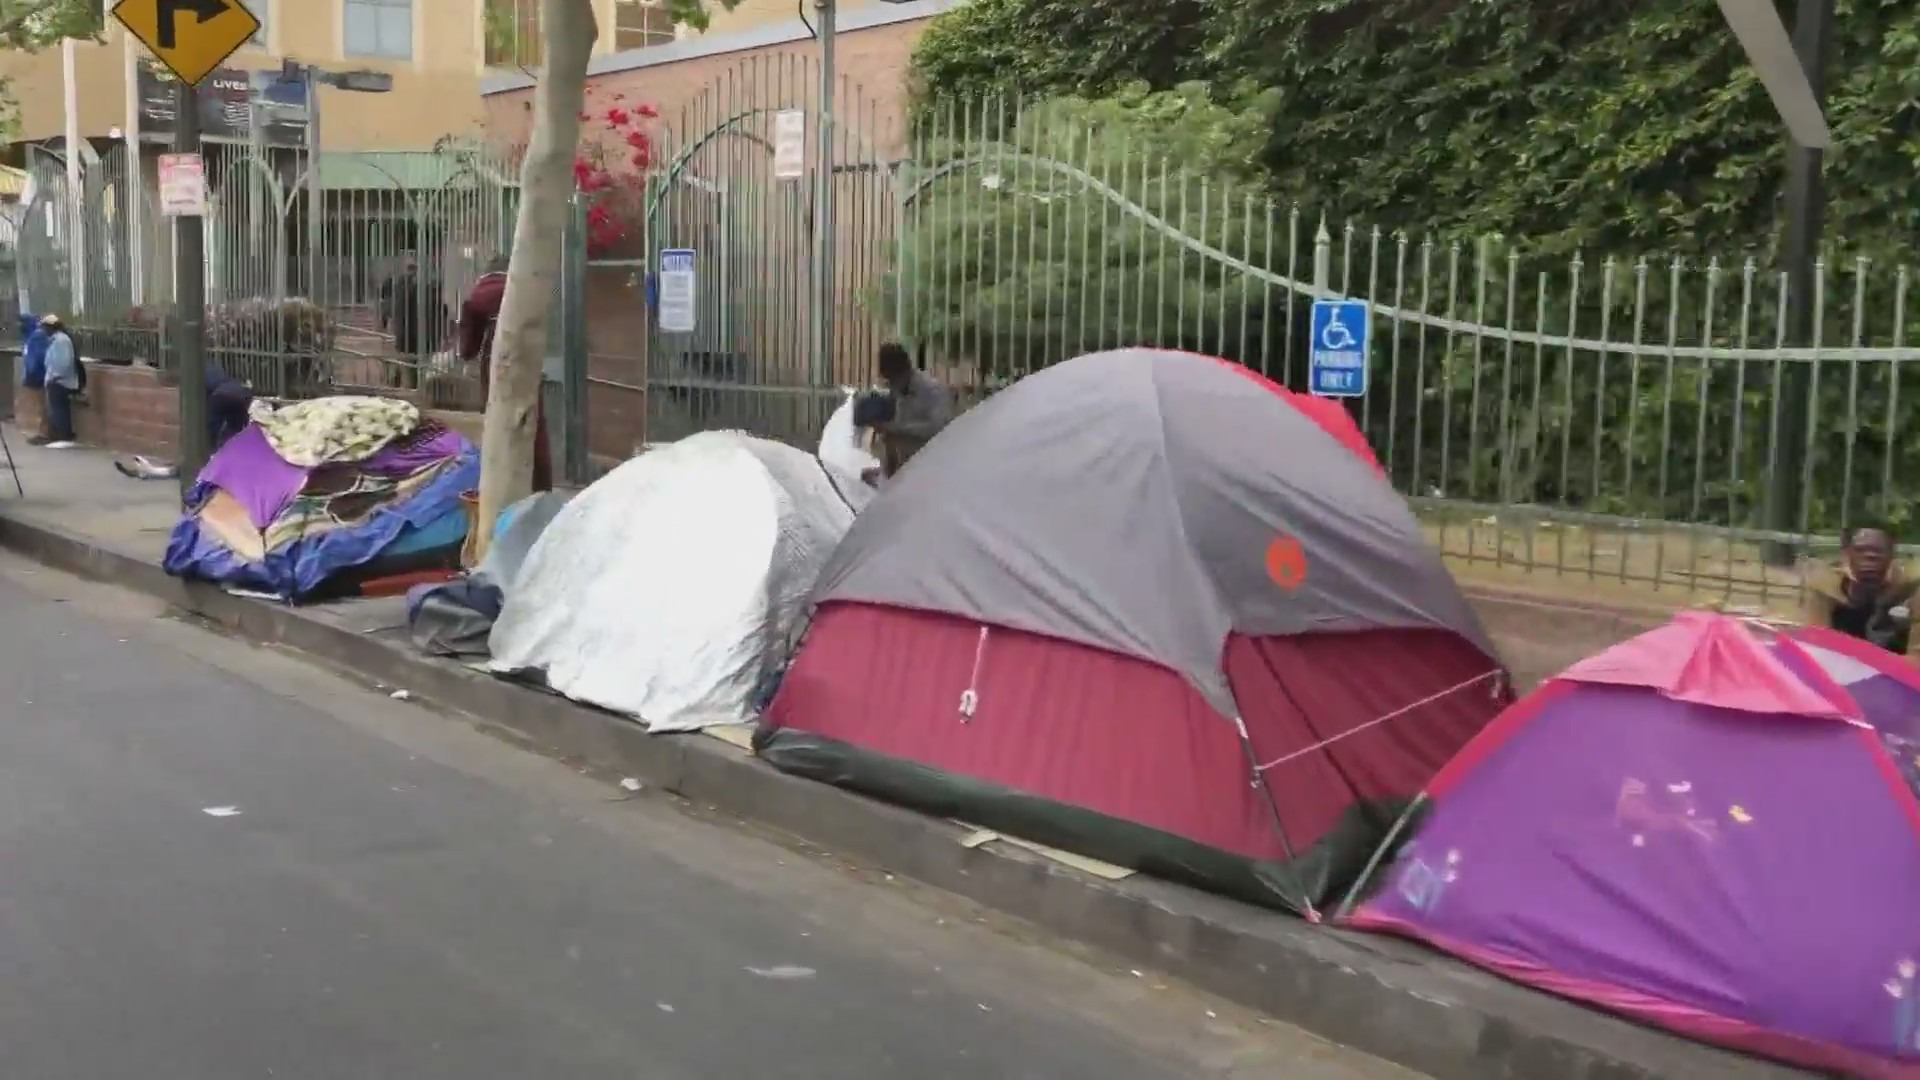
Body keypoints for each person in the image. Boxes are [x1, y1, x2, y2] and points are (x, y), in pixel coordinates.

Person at [457, 256, 553, 492]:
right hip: (528, 364)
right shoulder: (526, 292)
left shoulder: (476, 299)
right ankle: (540, 487)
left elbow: (468, 349)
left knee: (498, 425)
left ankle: (500, 488)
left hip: (495, 368)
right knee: (533, 425)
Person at [1802, 522, 1917, 659]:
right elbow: (1815, 645)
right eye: (1861, 550)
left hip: (1896, 670)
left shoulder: (1910, 587)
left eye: (1879, 551)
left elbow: (1916, 657)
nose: (1870, 556)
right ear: (1846, 554)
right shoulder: (1827, 587)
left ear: (1892, 555)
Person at [859, 342, 952, 484]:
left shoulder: (932, 391)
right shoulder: (899, 393)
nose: (890, 385)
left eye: (892, 379)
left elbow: (938, 428)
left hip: (932, 471)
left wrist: (898, 430)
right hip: (907, 470)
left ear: (905, 371)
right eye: (887, 380)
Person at [38, 314, 82, 449]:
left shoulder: (61, 341)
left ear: (51, 327)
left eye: (45, 327)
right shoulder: (55, 340)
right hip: (56, 379)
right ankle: (58, 435)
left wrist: (55, 376)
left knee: (59, 409)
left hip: (60, 381)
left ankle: (64, 436)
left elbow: (64, 362)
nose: (43, 331)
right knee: (57, 409)